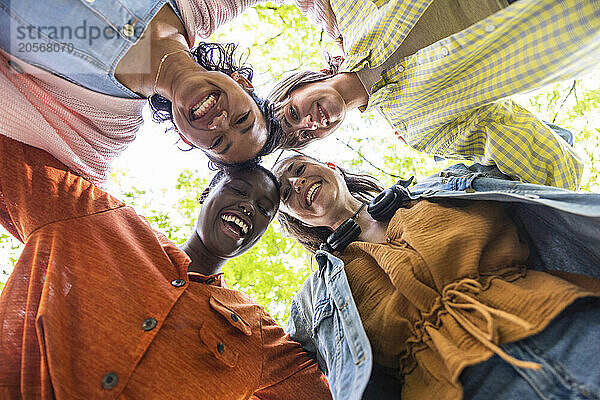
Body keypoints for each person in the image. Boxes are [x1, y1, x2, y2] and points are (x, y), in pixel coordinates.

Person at [0, 135, 332, 399]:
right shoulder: (101, 219)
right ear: (206, 193)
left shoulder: (259, 335)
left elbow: (342, 384)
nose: (249, 207)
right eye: (238, 191)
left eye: (263, 209)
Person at [274, 153, 600, 400]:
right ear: (292, 217)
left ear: (330, 166)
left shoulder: (441, 188)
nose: (297, 183)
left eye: (299, 169)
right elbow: (273, 371)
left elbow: (541, 152)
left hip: (565, 322)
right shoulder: (315, 297)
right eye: (286, 194)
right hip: (453, 389)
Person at [267, 0, 600, 190]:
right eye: (306, 136)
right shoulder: (417, 127)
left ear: (300, 85)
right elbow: (549, 162)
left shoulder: (351, 13)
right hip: (566, 16)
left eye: (294, 114)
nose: (311, 123)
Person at [0, 0, 283, 185]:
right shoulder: (201, 6)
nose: (219, 122)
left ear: (187, 137)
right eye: (242, 119)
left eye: (218, 142)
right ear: (241, 82)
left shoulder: (107, 126)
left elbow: (82, 200)